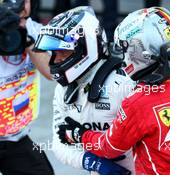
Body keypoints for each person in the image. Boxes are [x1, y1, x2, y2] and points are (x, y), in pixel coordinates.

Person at [56, 7, 170, 175]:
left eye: (126, 49)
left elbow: (109, 147)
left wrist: (77, 134)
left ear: (141, 50)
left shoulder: (139, 101)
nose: (124, 58)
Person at [33, 6, 135, 175]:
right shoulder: (62, 91)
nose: (56, 60)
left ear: (86, 49)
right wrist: (95, 163)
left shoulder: (125, 83)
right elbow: (60, 144)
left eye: (63, 52)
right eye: (54, 53)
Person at [0, 0, 53, 175]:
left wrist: (27, 40)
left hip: (17, 138)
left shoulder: (36, 31)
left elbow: (52, 73)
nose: (17, 5)